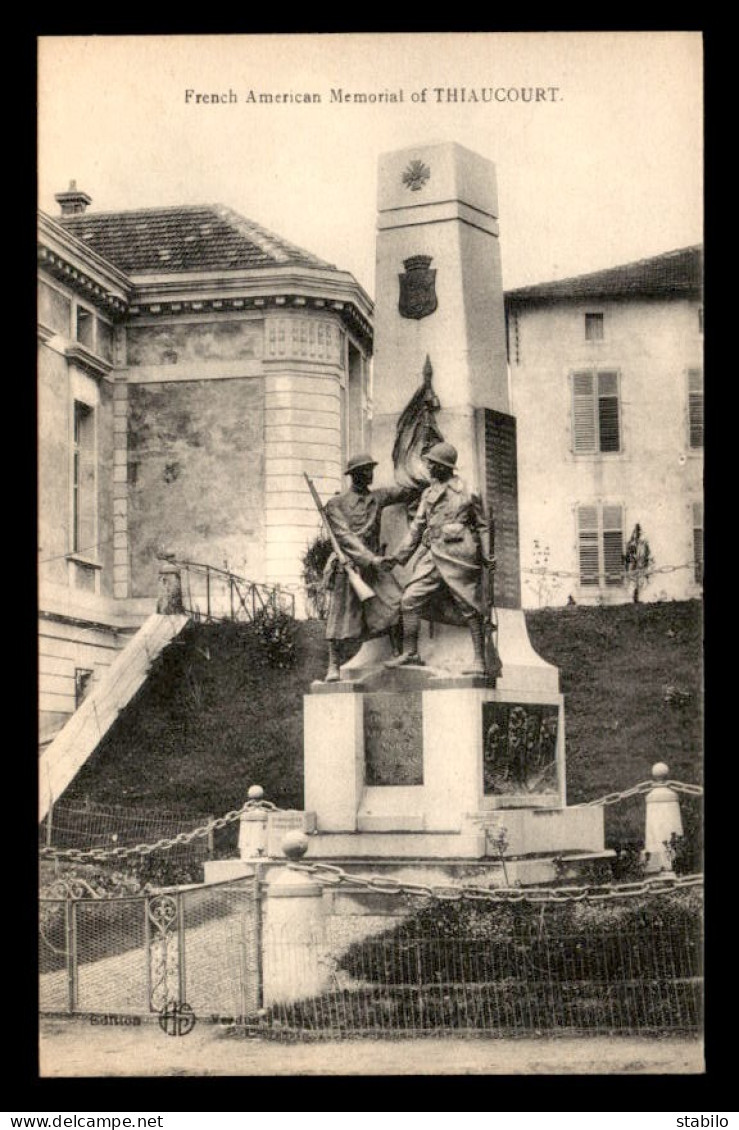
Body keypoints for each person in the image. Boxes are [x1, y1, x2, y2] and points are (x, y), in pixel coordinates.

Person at [384, 441, 497, 676]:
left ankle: (480, 660)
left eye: (433, 464)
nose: (430, 468)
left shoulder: (468, 490)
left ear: (445, 467)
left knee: (470, 605)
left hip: (459, 553)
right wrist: (397, 557)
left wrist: (487, 554)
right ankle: (411, 652)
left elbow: (483, 525)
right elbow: (416, 529)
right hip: (433, 554)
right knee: (410, 599)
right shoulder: (428, 493)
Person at [322, 454, 417, 682]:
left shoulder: (378, 497)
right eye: (365, 470)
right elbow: (345, 538)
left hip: (374, 565)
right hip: (349, 566)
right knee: (340, 617)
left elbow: (408, 491)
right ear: (353, 474)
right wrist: (369, 559)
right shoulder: (336, 504)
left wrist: (422, 472)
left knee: (396, 601)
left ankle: (396, 654)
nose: (370, 473)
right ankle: (333, 666)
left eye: (371, 469)